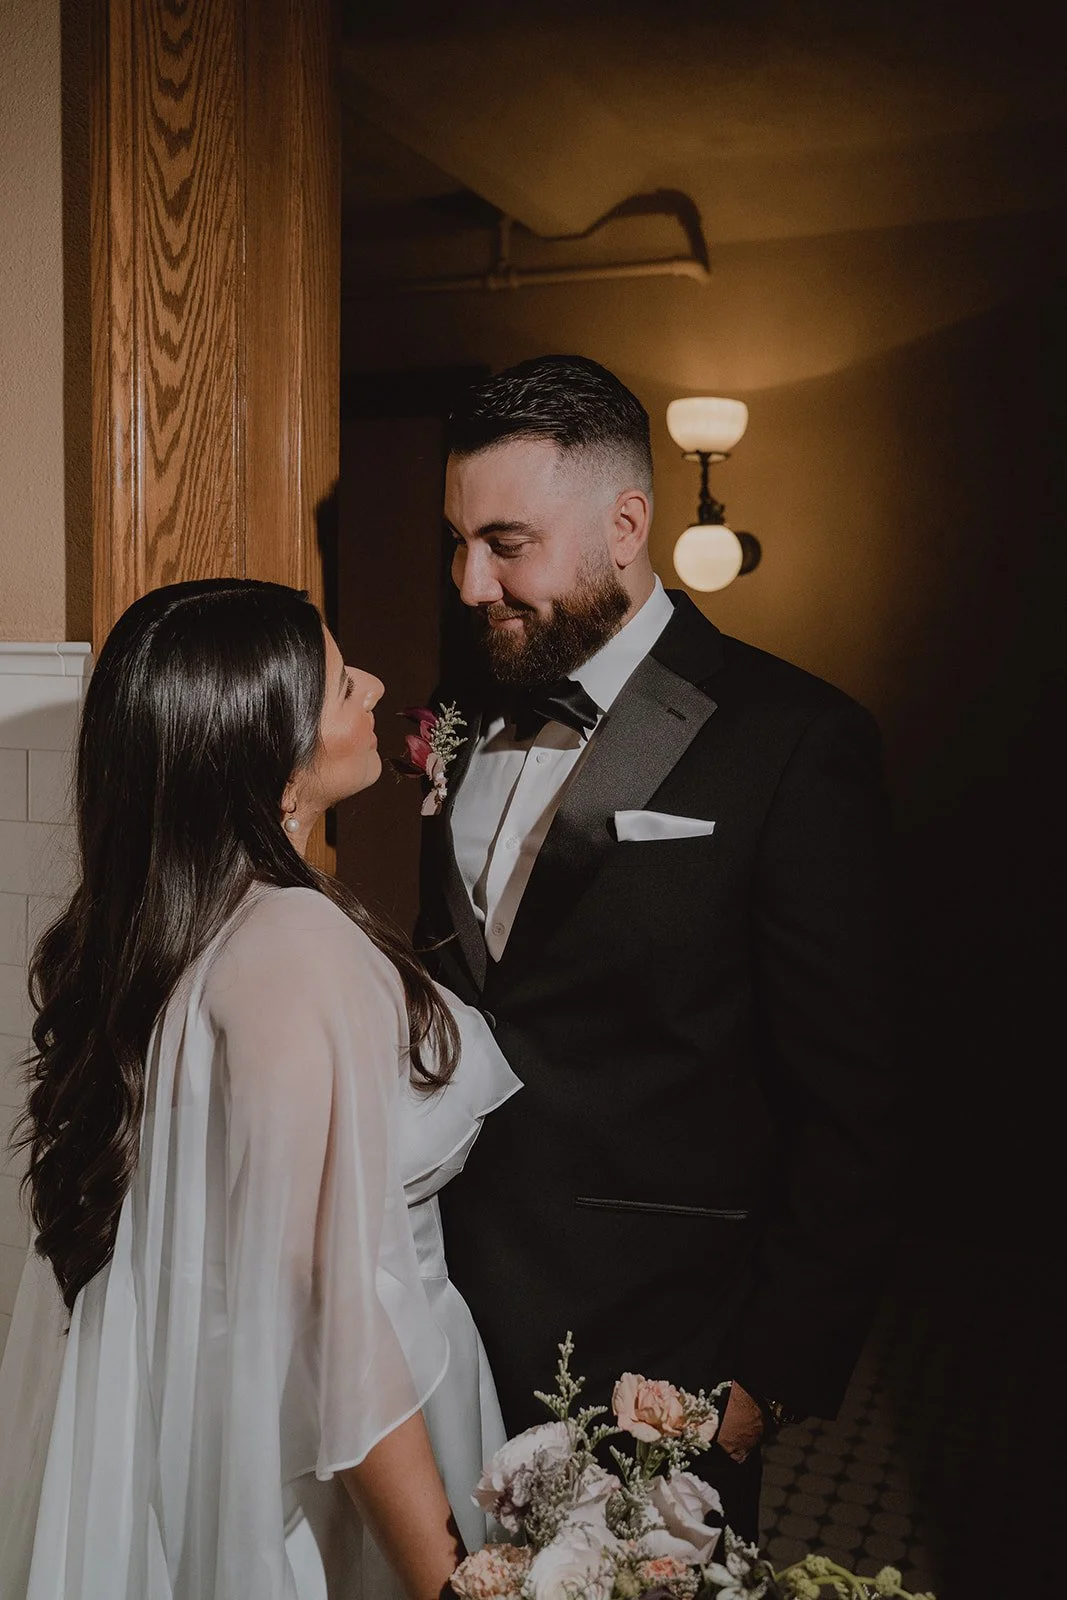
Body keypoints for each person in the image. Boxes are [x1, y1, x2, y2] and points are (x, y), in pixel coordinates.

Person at [415, 355, 905, 1541]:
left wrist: (753, 1393)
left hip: (659, 1349)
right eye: (457, 540)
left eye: (505, 541)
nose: (469, 579)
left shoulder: (794, 742)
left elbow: (854, 1104)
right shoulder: (468, 714)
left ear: (626, 524)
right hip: (436, 1315)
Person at [0, 578, 519, 1600]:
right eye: (335, 685)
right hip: (348, 1446)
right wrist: (450, 1578)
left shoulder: (153, 923)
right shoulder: (291, 944)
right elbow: (331, 1308)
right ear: (263, 748)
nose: (370, 684)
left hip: (200, 1412)